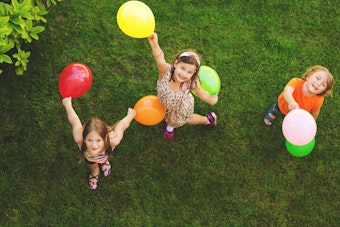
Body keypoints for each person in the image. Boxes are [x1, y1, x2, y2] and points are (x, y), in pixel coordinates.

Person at [147, 32, 219, 140]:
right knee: (166, 113)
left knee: (184, 119)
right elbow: (159, 57)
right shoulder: (165, 71)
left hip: (180, 109)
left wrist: (212, 100)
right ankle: (169, 121)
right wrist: (154, 44)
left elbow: (203, 95)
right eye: (183, 68)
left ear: (193, 74)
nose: (184, 74)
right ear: (176, 63)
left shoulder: (191, 83)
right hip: (165, 102)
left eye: (189, 72)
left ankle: (208, 120)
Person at [62, 97, 136, 190]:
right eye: (89, 140)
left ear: (105, 138)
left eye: (98, 140)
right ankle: (95, 172)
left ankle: (104, 162)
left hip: (105, 155)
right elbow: (74, 120)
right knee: (92, 164)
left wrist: (130, 115)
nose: (94, 145)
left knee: (104, 158)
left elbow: (121, 126)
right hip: (89, 158)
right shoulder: (79, 138)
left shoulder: (113, 141)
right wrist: (67, 105)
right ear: (84, 138)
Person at [264, 65, 334, 125]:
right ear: (308, 76)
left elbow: (315, 111)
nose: (318, 83)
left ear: (323, 90)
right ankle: (272, 112)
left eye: (323, 84)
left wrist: (312, 121)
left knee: (290, 122)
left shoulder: (318, 99)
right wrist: (291, 102)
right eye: (318, 78)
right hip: (282, 106)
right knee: (276, 110)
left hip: (296, 115)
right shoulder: (296, 82)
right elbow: (287, 91)